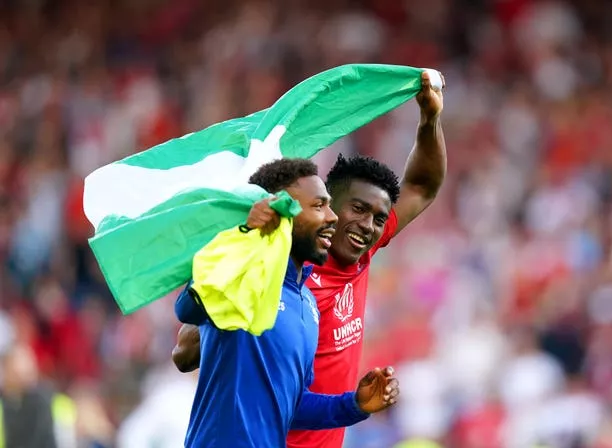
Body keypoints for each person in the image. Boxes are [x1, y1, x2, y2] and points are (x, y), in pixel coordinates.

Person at [173, 70, 446, 448]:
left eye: (378, 219)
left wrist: (430, 118)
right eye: (353, 209)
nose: (367, 227)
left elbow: (421, 186)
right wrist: (243, 254)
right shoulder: (262, 269)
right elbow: (187, 344)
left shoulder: (310, 297)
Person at [175, 158, 400, 448]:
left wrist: (354, 404)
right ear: (281, 213)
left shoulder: (307, 303)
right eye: (319, 206)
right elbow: (186, 308)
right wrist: (247, 236)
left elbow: (292, 402)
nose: (332, 217)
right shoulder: (246, 274)